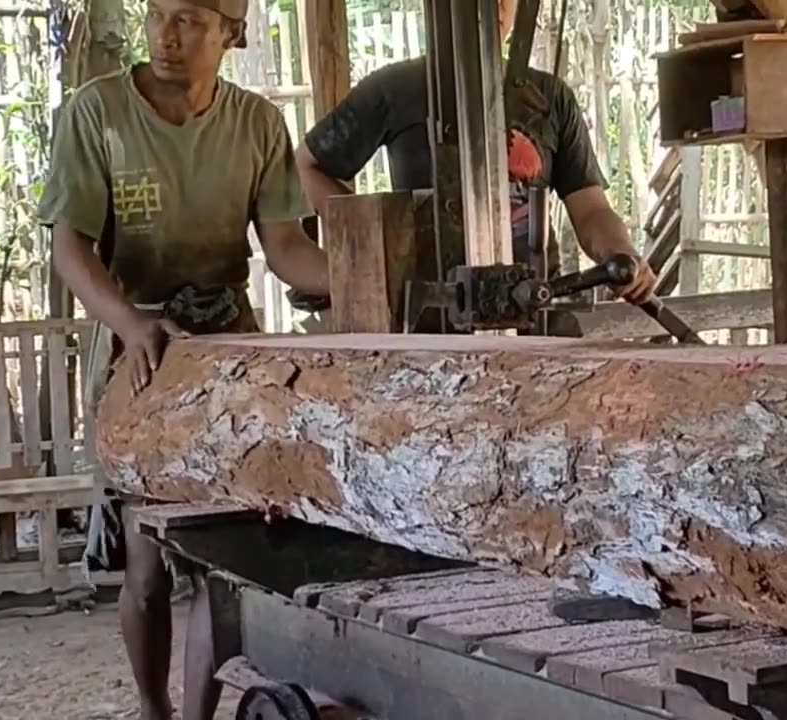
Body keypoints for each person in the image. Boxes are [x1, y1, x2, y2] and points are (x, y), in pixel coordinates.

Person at [35, 0, 329, 718]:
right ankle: (151, 706)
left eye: (190, 19)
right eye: (157, 14)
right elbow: (70, 246)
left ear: (231, 32)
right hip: (139, 344)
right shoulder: (96, 112)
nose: (167, 36)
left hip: (227, 347)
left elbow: (284, 246)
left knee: (220, 558)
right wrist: (132, 323)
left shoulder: (256, 122)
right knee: (146, 564)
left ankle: (196, 712)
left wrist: (364, 277)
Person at [294, 0, 657, 308]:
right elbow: (304, 167)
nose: (494, 6)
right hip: (429, 311)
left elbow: (591, 208)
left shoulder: (550, 97)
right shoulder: (394, 89)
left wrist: (620, 253)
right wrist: (377, 241)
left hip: (532, 306)